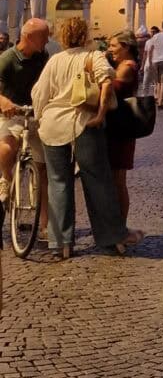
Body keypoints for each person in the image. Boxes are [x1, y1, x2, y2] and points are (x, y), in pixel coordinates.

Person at [31, 17, 143, 259]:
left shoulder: (54, 61)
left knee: (58, 182)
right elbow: (106, 83)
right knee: (98, 181)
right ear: (85, 35)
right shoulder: (94, 56)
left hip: (53, 124)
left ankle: (61, 243)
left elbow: (39, 94)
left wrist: (41, 117)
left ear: (62, 37)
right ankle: (112, 238)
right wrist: (100, 114)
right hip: (84, 122)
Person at [0, 18, 50, 236]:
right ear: (28, 37)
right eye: (43, 36)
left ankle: (46, 225)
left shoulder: (42, 56)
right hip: (11, 113)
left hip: (35, 114)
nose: (47, 40)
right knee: (7, 148)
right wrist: (4, 103)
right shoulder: (7, 59)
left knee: (43, 170)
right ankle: (6, 177)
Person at [106, 30, 140, 222]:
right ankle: (116, 222)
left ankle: (120, 223)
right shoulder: (121, 65)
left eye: (113, 45)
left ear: (125, 47)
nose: (110, 49)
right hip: (116, 124)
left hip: (121, 126)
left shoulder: (127, 67)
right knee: (114, 177)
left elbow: (109, 90)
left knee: (118, 178)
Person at [145, 19, 163, 109]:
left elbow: (150, 50)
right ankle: (160, 103)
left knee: (157, 82)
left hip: (155, 61)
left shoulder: (155, 36)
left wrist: (150, 61)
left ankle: (158, 99)